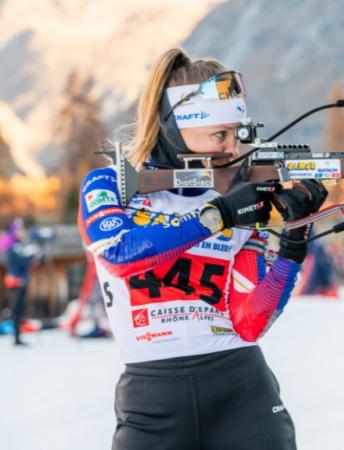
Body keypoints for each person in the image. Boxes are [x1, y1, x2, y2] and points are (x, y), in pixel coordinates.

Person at [78, 48, 327, 449]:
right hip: (151, 401)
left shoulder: (238, 193)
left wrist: (292, 244)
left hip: (242, 389)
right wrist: (220, 213)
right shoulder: (110, 184)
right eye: (220, 134)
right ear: (177, 126)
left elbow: (250, 322)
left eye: (237, 132)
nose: (232, 147)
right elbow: (122, 254)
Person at [4, 218, 40, 346]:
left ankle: (18, 336)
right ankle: (16, 337)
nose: (23, 232)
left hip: (20, 280)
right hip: (17, 281)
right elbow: (21, 263)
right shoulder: (14, 246)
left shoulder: (18, 245)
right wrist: (30, 254)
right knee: (17, 309)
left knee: (20, 309)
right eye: (20, 229)